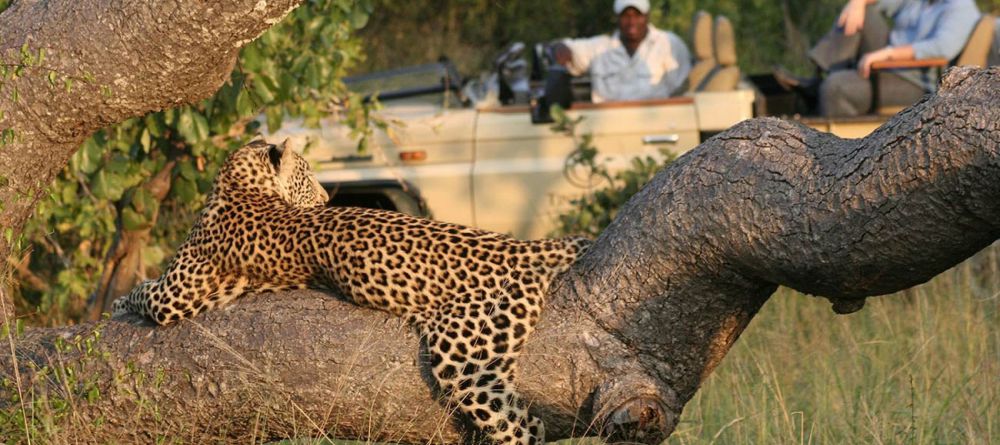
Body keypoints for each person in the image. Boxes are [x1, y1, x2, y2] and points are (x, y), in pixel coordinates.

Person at [778, 0, 981, 117]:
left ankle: (837, 152)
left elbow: (941, 48)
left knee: (835, 88)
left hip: (915, 80)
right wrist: (857, 3)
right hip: (886, 62)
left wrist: (888, 54)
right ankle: (819, 77)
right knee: (862, 12)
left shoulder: (961, 8)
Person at [549, 0, 692, 103]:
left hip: (657, 127)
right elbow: (565, 47)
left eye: (637, 15)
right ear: (617, 17)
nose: (631, 22)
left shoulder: (669, 43)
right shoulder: (600, 47)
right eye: (626, 15)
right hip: (607, 128)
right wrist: (560, 50)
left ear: (647, 15)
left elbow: (683, 91)